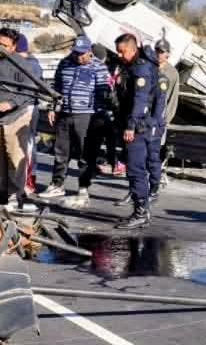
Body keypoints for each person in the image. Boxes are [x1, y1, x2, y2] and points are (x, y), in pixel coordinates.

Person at [39, 36, 109, 201]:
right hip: (65, 113)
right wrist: (52, 108)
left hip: (86, 116)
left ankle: (83, 188)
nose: (79, 57)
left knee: (85, 153)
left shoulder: (99, 67)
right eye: (76, 53)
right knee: (61, 151)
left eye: (82, 54)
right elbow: (56, 88)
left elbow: (104, 93)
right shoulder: (65, 63)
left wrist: (99, 117)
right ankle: (57, 185)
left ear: (89, 51)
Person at [113, 33, 165, 229]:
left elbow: (140, 100)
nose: (119, 55)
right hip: (141, 125)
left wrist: (131, 125)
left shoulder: (141, 69)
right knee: (136, 169)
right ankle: (141, 211)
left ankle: (140, 213)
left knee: (136, 170)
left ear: (133, 49)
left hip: (139, 127)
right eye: (118, 52)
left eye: (122, 51)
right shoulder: (139, 66)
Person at [0, 27, 37, 213]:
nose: (0, 48)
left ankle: (16, 195)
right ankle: (2, 192)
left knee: (15, 158)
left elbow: (30, 91)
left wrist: (11, 103)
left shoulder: (23, 65)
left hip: (16, 117)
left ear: (14, 46)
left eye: (5, 46)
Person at [74, 43, 118, 205]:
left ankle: (84, 184)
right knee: (93, 151)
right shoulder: (105, 71)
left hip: (87, 115)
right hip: (100, 116)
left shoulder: (82, 69)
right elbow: (111, 96)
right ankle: (112, 163)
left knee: (87, 152)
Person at [16, 33, 43, 196]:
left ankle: (28, 180)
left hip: (28, 108)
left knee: (27, 145)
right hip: (20, 107)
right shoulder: (21, 62)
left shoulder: (31, 65)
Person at [154, 38, 180, 192]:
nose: (159, 54)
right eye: (157, 51)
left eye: (162, 52)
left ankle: (155, 178)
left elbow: (173, 98)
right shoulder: (149, 67)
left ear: (168, 54)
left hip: (161, 117)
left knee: (157, 149)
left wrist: (166, 119)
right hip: (146, 116)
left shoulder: (172, 73)